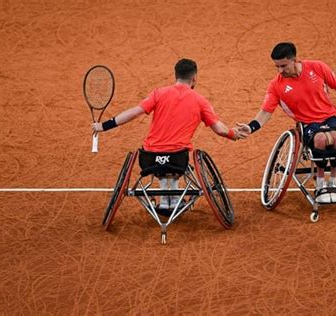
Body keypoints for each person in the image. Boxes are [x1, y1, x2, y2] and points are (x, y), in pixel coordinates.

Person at [93, 58, 245, 211]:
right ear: (194, 78)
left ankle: (165, 200)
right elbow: (220, 129)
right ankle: (173, 198)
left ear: (176, 76)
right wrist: (234, 134)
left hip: (149, 159)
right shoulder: (200, 100)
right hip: (178, 159)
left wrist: (104, 126)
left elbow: (134, 112)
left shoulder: (158, 93)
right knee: (174, 159)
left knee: (161, 159)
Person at [237, 42, 336, 203]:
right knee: (320, 140)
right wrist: (251, 127)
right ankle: (320, 182)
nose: (280, 71)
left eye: (283, 65)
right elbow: (265, 112)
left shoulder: (317, 67)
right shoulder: (276, 86)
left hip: (331, 116)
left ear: (295, 60)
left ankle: (333, 180)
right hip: (307, 123)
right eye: (276, 67)